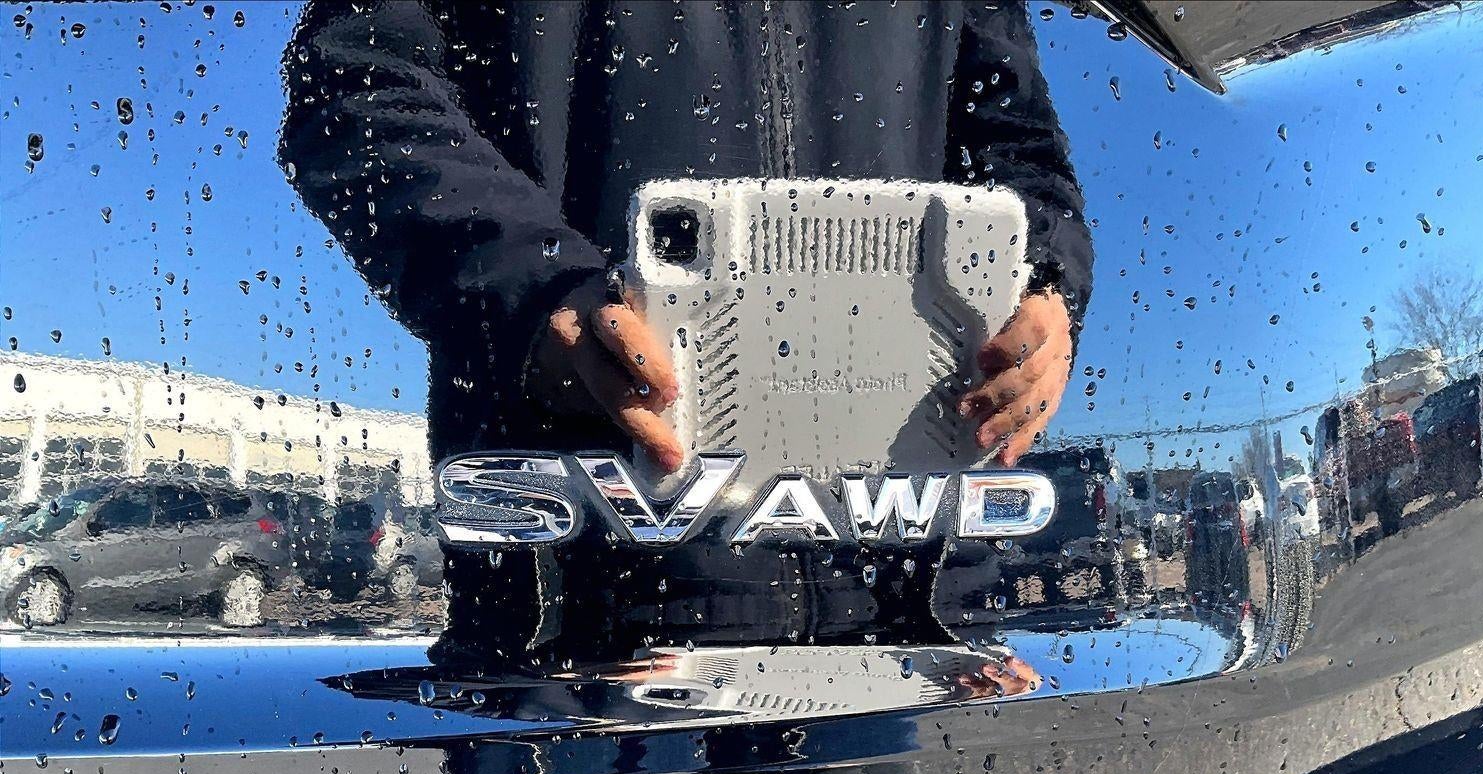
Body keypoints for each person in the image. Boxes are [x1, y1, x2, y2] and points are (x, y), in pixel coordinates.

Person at [281, 0, 1092, 668]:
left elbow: (1020, 150)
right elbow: (356, 84)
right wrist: (535, 293)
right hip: (570, 596)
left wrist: (1046, 288)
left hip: (924, 598)